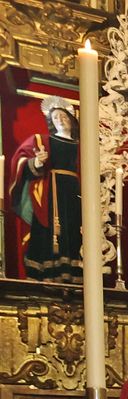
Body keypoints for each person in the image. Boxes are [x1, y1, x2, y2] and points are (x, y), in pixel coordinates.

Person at [9, 96, 82, 282]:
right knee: (49, 230)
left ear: (72, 121)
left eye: (64, 117)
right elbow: (20, 160)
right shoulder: (41, 141)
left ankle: (75, 274)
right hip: (52, 191)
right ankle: (47, 273)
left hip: (76, 192)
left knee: (74, 229)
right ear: (51, 122)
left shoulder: (82, 146)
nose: (60, 120)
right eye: (56, 117)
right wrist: (37, 161)